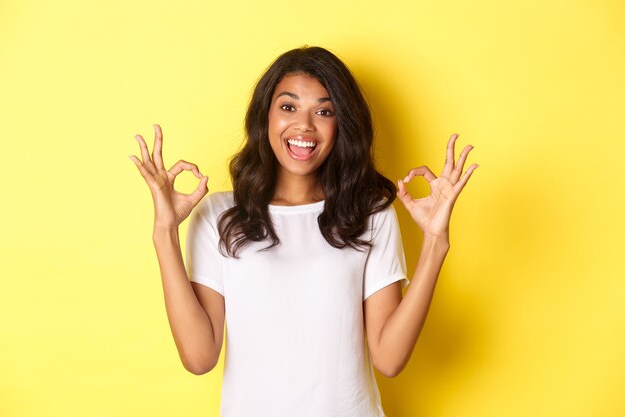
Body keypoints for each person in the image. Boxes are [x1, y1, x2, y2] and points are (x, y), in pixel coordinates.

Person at [129, 46, 478, 417]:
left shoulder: (370, 214)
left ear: (341, 124)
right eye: (288, 107)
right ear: (265, 116)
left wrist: (436, 243)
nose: (304, 126)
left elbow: (390, 359)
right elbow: (199, 357)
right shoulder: (220, 215)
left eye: (324, 111)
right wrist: (164, 231)